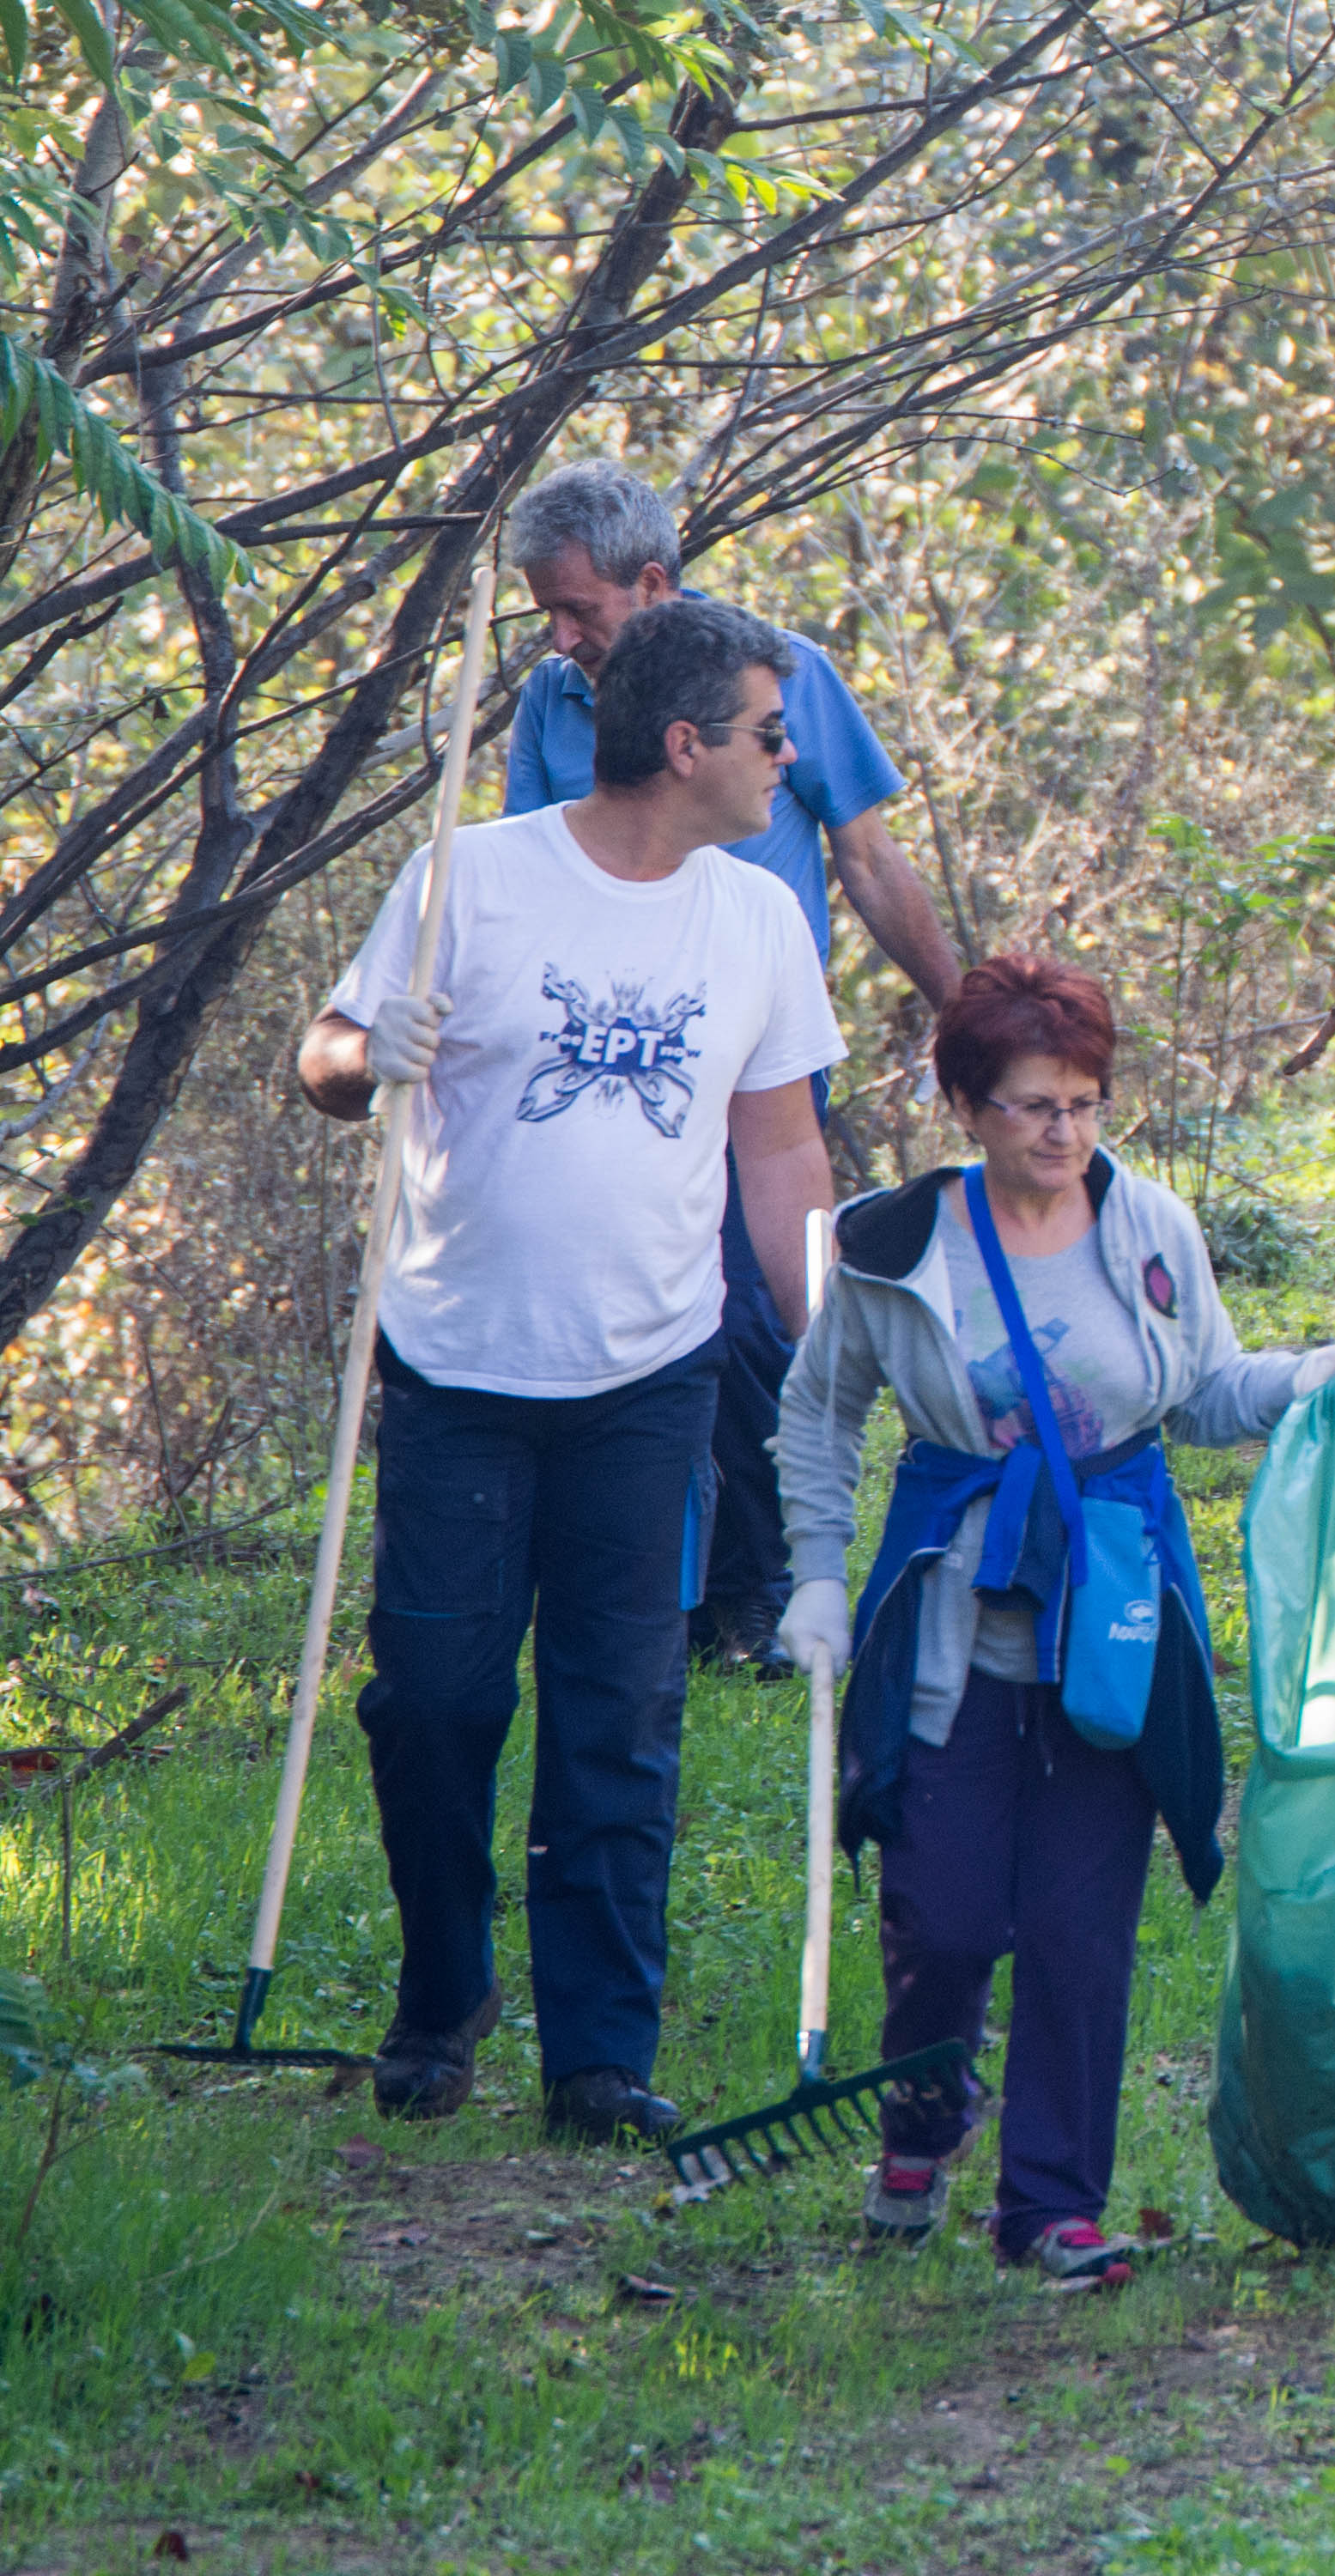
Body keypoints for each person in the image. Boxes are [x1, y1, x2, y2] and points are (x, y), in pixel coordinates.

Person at [299, 594, 846, 2144]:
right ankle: (443, 1992)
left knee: (619, 1716)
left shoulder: (754, 917)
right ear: (686, 747)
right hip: (459, 1366)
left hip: (648, 1378)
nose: (783, 761)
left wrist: (828, 1354)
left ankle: (600, 2057)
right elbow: (325, 1058)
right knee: (437, 1705)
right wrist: (365, 1057)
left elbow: (782, 1149)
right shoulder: (470, 880)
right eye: (765, 734)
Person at [774, 952, 1335, 2287]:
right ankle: (924, 2118)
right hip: (952, 1622)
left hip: (1110, 1616)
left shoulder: (1148, 1227)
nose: (1065, 1134)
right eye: (1037, 1106)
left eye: (1087, 1104)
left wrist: (1309, 1378)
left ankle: (1051, 2204)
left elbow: (1205, 1394)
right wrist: (818, 1572)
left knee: (1076, 1928)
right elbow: (820, 1413)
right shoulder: (890, 1246)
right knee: (942, 1918)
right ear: (971, 1108)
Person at [495, 464, 968, 1669]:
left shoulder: (779, 677)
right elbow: (526, 879)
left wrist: (967, 1015)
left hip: (757, 1065)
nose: (561, 636)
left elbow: (865, 857)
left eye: (579, 607)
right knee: (641, 1326)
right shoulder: (552, 707)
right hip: (604, 1074)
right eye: (544, 611)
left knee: (763, 1314)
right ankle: (655, 1594)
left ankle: (766, 1588)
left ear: (651, 585)